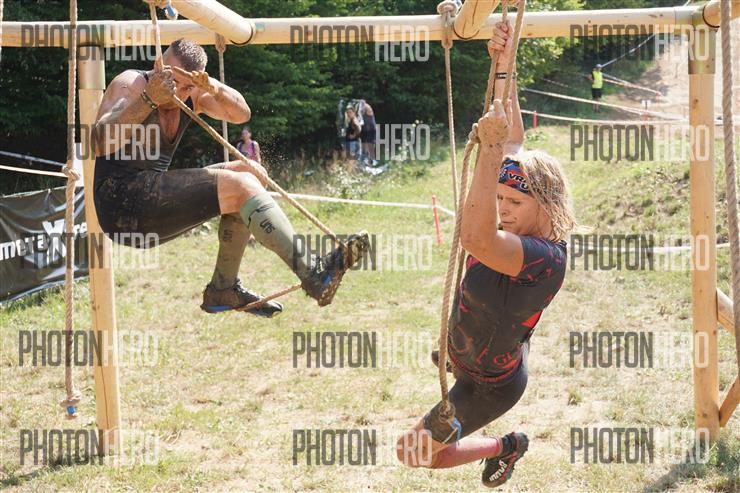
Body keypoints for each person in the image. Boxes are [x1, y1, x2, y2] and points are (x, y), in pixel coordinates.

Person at [396, 21, 575, 489]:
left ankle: (507, 446)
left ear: (547, 205)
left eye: (514, 202)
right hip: (468, 357)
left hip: (491, 386)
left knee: (413, 453)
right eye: (499, 199)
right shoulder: (515, 220)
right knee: (416, 450)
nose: (502, 210)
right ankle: (460, 358)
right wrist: (504, 63)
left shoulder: (546, 259)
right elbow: (512, 137)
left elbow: (476, 240)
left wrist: (491, 150)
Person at [91, 38, 368, 317]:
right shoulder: (131, 84)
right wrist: (148, 99)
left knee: (250, 172)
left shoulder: (192, 95)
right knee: (240, 185)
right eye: (172, 81)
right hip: (120, 206)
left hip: (151, 201)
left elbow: (241, 114)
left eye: (185, 86)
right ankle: (314, 274)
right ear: (158, 64)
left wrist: (212, 87)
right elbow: (98, 143)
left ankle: (223, 288)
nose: (176, 92)